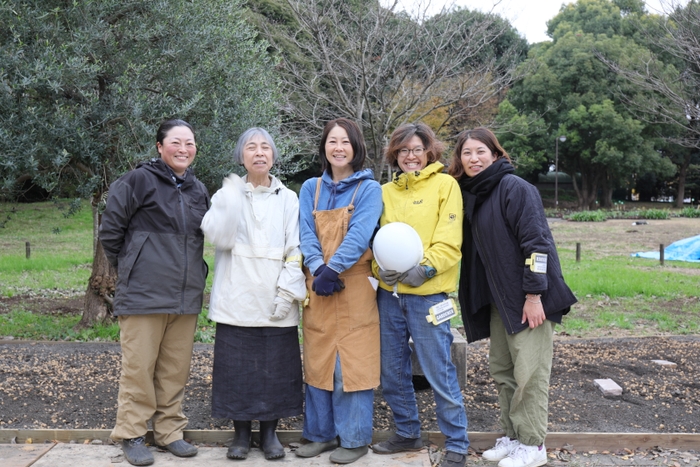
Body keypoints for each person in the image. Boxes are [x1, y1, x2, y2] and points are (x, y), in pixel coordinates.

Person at [448, 127, 577, 467]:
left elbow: (538, 245)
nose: (474, 158)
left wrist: (534, 295)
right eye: (467, 153)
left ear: (495, 153)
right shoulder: (472, 194)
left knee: (529, 374)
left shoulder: (515, 188)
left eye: (480, 151)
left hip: (527, 300)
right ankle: (513, 435)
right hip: (499, 301)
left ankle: (533, 445)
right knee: (503, 370)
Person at [100, 119, 210, 466]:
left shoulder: (198, 189)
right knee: (138, 368)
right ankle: (131, 433)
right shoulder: (137, 181)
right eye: (176, 142)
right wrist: (135, 266)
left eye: (189, 143)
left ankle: (169, 432)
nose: (183, 149)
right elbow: (111, 233)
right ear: (160, 147)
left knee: (175, 369)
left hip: (185, 296)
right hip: (144, 294)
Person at [200, 127, 306, 461]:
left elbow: (295, 249)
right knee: (237, 369)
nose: (259, 153)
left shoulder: (289, 198)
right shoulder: (227, 193)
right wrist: (229, 200)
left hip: (276, 300)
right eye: (251, 147)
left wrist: (286, 293)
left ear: (274, 155)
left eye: (265, 147)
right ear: (241, 156)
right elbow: (217, 235)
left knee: (277, 370)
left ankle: (270, 433)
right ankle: (241, 434)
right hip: (237, 298)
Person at [369, 123, 469, 467]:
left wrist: (425, 268)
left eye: (416, 149)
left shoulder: (446, 186)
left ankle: (457, 442)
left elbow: (449, 240)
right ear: (394, 154)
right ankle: (407, 431)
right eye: (403, 150)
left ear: (430, 151)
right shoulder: (384, 192)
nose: (410, 156)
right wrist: (378, 270)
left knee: (438, 369)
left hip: (430, 296)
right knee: (392, 371)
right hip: (389, 295)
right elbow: (376, 242)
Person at [295, 118, 383, 465]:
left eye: (345, 142)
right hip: (318, 284)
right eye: (332, 141)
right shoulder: (310, 188)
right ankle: (320, 435)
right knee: (318, 359)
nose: (338, 148)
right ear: (324, 148)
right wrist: (318, 269)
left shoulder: (369, 189)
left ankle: (355, 438)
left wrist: (334, 269)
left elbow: (360, 234)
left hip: (355, 285)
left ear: (356, 147)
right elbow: (305, 232)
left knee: (353, 363)